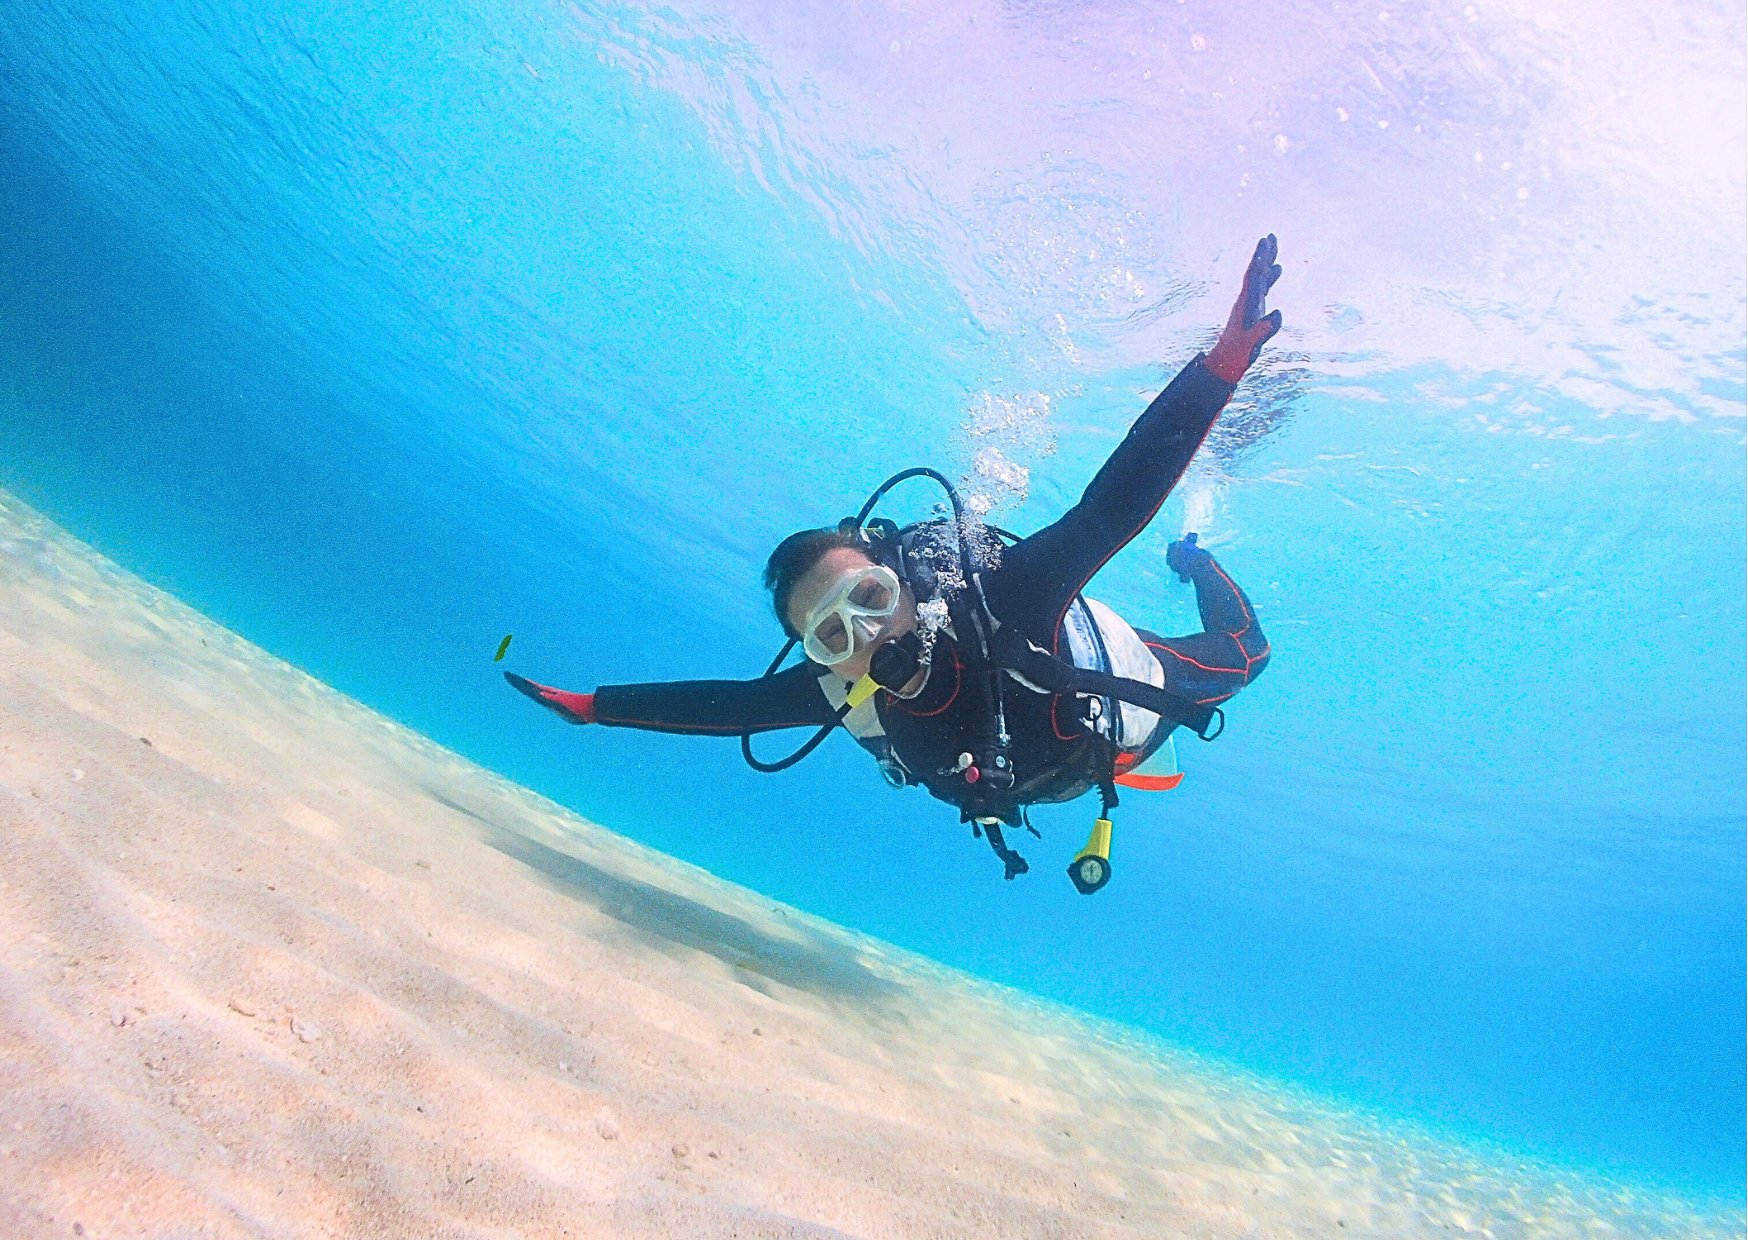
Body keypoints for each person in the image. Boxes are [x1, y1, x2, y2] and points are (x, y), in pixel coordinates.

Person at [507, 235, 1283, 889]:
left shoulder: (1007, 599)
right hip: (1066, 765)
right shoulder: (848, 694)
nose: (866, 638)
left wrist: (1221, 365)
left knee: (1249, 656)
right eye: (832, 637)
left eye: (869, 598)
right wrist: (594, 705)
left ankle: (1199, 555)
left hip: (1123, 699)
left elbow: (1108, 509)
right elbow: (733, 707)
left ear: (903, 582)